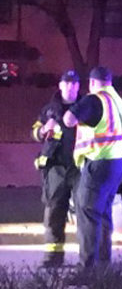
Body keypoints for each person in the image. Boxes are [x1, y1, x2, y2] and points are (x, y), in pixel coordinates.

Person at [63, 66, 122, 268]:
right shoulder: (117, 100)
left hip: (98, 163)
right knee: (103, 214)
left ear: (91, 83)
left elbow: (68, 120)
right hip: (117, 163)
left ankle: (87, 268)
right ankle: (104, 265)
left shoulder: (94, 99)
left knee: (88, 213)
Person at [31, 70, 81, 267]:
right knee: (54, 212)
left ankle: (87, 259)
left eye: (74, 84)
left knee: (84, 213)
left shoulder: (86, 107)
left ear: (78, 87)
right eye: (67, 83)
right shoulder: (49, 109)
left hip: (79, 167)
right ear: (60, 86)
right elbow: (33, 132)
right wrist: (43, 129)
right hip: (56, 168)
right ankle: (53, 257)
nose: (70, 87)